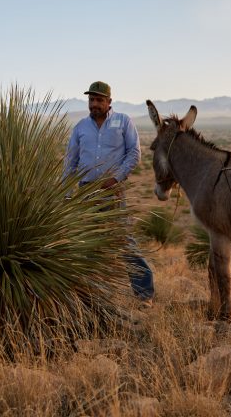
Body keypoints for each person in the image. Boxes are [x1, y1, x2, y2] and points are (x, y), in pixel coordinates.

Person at [63, 81, 155, 304]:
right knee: (87, 242)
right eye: (91, 100)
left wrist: (116, 178)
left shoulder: (123, 122)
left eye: (99, 100)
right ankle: (92, 295)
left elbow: (134, 153)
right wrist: (66, 193)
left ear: (109, 102)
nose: (94, 104)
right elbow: (70, 162)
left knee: (123, 240)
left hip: (112, 191)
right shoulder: (80, 128)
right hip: (86, 192)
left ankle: (144, 295)